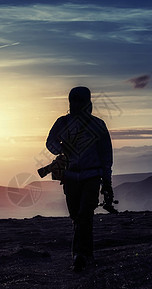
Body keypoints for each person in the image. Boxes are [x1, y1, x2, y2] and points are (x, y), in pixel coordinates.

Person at [45, 86, 114, 272]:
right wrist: (62, 149)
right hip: (72, 177)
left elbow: (106, 156)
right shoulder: (90, 124)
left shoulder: (90, 125)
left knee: (83, 215)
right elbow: (50, 143)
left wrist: (106, 181)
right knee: (78, 216)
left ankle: (79, 256)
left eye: (78, 101)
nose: (76, 104)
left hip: (90, 176)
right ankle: (86, 254)